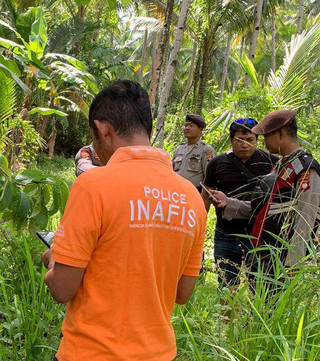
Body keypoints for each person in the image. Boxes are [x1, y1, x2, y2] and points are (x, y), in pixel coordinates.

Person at [41, 80, 207, 361]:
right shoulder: (191, 197)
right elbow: (182, 293)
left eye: (94, 138)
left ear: (103, 128)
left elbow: (61, 288)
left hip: (91, 353)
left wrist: (53, 259)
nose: (96, 148)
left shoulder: (92, 185)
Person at [210, 110, 320, 274]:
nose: (264, 141)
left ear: (281, 133)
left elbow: (307, 218)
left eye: (267, 136)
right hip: (266, 257)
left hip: (282, 262)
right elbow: (267, 207)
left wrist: (292, 264)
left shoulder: (305, 168)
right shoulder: (281, 165)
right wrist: (230, 203)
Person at [202, 118, 278, 288]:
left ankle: (254, 315)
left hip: (258, 236)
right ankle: (227, 314)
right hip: (225, 234)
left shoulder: (271, 162)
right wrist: (199, 224)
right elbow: (205, 196)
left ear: (257, 140)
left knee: (259, 287)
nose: (245, 145)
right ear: (231, 140)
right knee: (226, 287)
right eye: (240, 140)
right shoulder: (217, 163)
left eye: (250, 140)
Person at [172, 114, 216, 191]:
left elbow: (209, 177)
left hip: (194, 192)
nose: (187, 128)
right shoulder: (179, 149)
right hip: (176, 191)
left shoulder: (206, 150)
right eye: (186, 125)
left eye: (191, 126)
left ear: (200, 129)